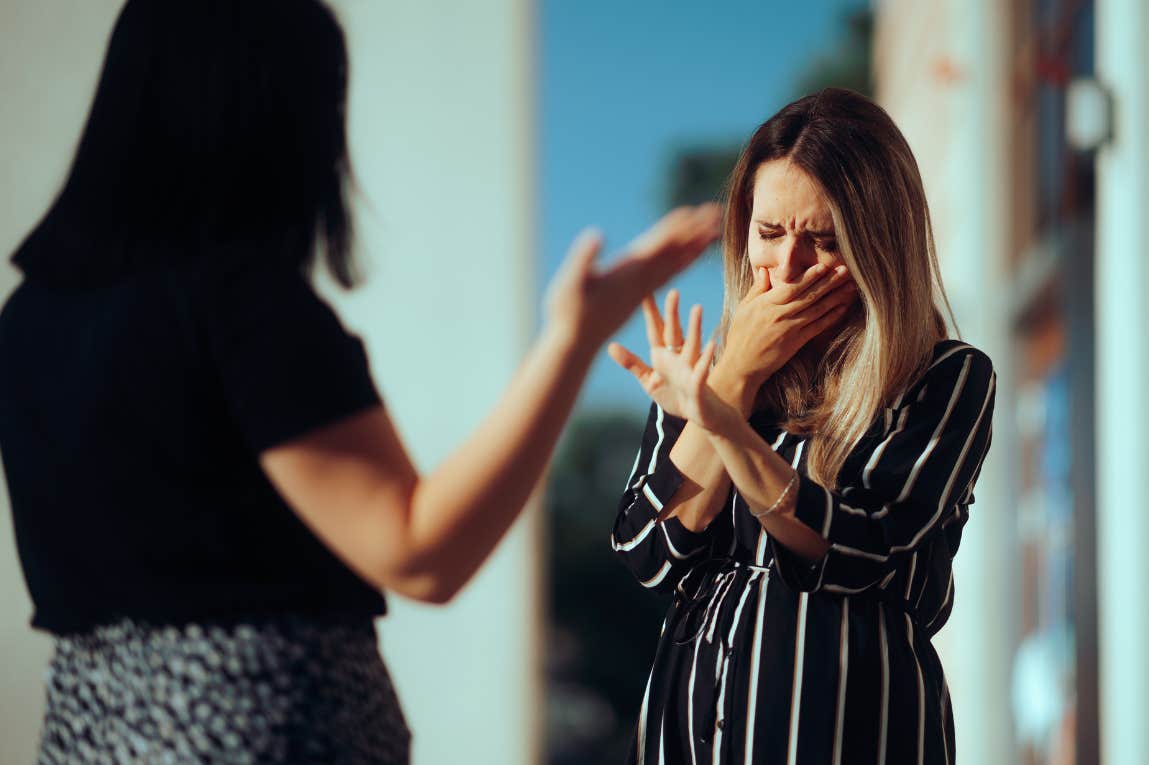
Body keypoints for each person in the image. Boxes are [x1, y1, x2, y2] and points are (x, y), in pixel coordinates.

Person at [0, 1, 720, 762]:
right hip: (258, 730)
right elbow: (418, 551)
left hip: (86, 731)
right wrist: (573, 337)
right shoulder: (239, 305)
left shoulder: (28, 318)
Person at [607, 88, 996, 764]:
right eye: (770, 233)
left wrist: (723, 423)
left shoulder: (945, 377)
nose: (786, 270)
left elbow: (854, 546)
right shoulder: (712, 370)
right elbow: (648, 550)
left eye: (822, 241)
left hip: (855, 733)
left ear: (879, 244)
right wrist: (731, 382)